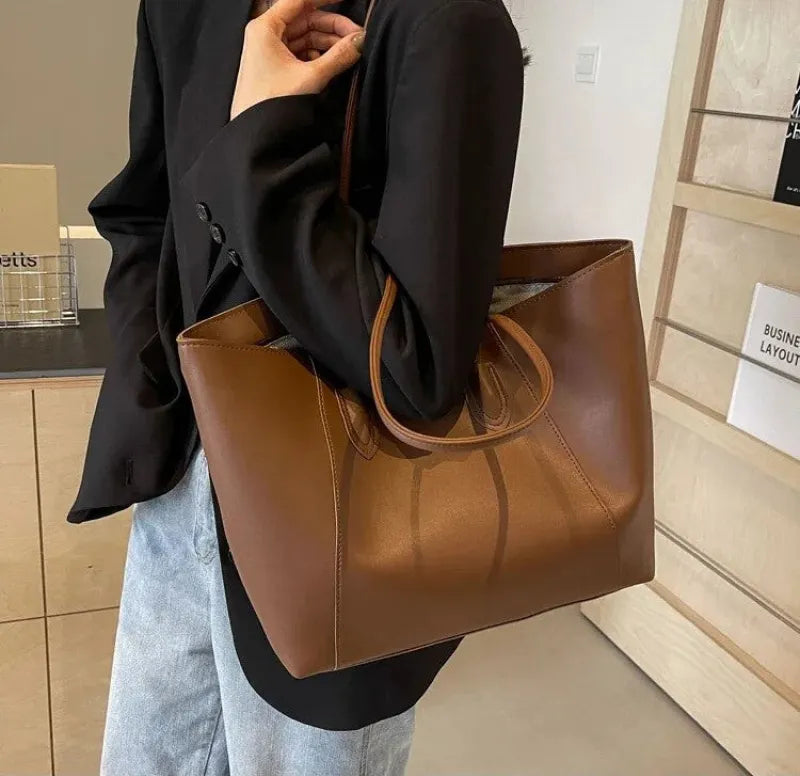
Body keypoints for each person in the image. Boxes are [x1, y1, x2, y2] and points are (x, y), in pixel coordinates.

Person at [69, 0, 523, 772]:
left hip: (338, 523)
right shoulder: (181, 9)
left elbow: (415, 370)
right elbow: (144, 214)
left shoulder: (444, 22)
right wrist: (156, 383)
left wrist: (263, 137)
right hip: (181, 488)